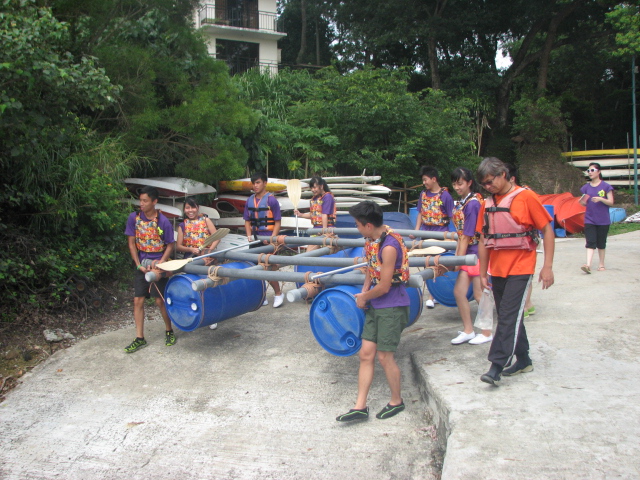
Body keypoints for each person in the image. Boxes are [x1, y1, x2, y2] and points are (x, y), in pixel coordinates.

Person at [475, 157, 555, 386]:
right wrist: (482, 273)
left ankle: (496, 366)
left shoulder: (526, 197)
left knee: (508, 315)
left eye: (490, 181)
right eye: (484, 184)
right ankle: (524, 360)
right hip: (497, 269)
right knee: (509, 315)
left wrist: (547, 267)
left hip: (522, 266)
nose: (488, 187)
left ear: (503, 174)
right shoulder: (487, 204)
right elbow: (483, 240)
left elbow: (547, 231)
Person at [336, 201, 410, 422]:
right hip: (376, 304)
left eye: (358, 224)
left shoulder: (389, 246)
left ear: (368, 225)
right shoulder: (372, 239)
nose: (357, 228)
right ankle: (360, 407)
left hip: (391, 307)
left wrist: (364, 297)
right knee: (366, 354)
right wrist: (365, 289)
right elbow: (371, 266)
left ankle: (396, 401)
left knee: (385, 356)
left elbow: (385, 286)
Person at [124, 186, 176, 353]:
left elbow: (170, 244)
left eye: (145, 201)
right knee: (138, 300)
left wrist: (161, 263)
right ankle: (140, 338)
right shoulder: (134, 218)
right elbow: (131, 243)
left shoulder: (163, 221)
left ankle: (169, 330)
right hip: (142, 265)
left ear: (154, 202)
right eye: (140, 200)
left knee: (160, 300)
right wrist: (138, 265)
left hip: (158, 265)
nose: (142, 204)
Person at [450, 167, 493, 345]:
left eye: (460, 183)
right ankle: (468, 330)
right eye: (454, 184)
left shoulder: (473, 203)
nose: (457, 187)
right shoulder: (463, 202)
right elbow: (461, 235)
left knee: (479, 294)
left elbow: (467, 236)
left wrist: (457, 261)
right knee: (459, 292)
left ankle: (486, 332)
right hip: (467, 252)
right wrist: (458, 257)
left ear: (469, 182)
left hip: (477, 254)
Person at [412, 165, 454, 309]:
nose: (424, 183)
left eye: (425, 179)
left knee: (437, 263)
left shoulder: (445, 196)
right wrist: (416, 231)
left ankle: (434, 295)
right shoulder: (423, 194)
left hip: (440, 234)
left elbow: (452, 216)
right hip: (425, 232)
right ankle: (432, 293)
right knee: (427, 263)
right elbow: (420, 213)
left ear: (434, 179)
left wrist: (456, 235)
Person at [176, 197, 221, 330]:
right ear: (184, 210)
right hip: (191, 260)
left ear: (198, 208)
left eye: (193, 207)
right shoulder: (182, 225)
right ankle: (197, 315)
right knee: (193, 288)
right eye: (187, 208)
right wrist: (191, 249)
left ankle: (212, 316)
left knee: (209, 287)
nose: (190, 210)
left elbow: (216, 237)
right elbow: (178, 246)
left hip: (207, 259)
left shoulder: (205, 220)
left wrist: (209, 250)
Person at [243, 172, 284, 308]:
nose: (255, 185)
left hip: (268, 236)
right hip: (255, 238)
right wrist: (249, 235)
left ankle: (278, 293)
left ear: (265, 183)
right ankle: (262, 295)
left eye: (258, 182)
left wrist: (273, 239)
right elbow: (247, 220)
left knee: (268, 268)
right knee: (254, 267)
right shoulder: (249, 200)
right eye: (253, 183)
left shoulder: (271, 200)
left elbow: (277, 222)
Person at [506, 164, 535, 318]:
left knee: (524, 275)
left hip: (525, 242)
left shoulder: (525, 194)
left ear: (511, 178)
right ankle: (527, 304)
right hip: (509, 245)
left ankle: (525, 305)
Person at [579, 162, 614, 273]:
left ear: (599, 172)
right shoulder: (586, 187)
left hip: (603, 220)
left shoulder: (606, 186)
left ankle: (601, 264)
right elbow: (583, 201)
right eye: (588, 170)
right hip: (589, 219)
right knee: (590, 241)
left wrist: (601, 199)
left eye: (592, 170)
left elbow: (611, 202)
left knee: (601, 243)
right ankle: (588, 264)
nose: (590, 172)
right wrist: (582, 202)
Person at [293, 176, 337, 251]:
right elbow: (314, 215)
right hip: (316, 230)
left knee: (328, 252)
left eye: (314, 187)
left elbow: (325, 214)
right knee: (309, 253)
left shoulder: (327, 197)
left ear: (321, 186)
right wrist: (301, 215)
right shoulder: (314, 199)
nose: (313, 190)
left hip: (327, 229)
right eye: (311, 188)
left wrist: (324, 231)